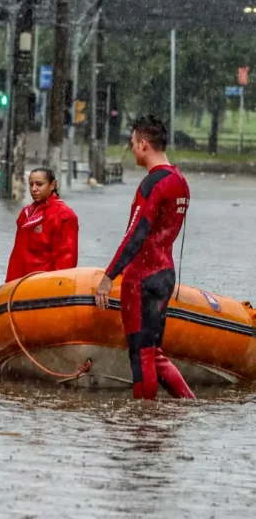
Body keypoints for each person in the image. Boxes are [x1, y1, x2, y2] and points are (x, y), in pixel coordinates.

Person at [94, 115, 195, 400]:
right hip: (165, 275)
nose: (132, 149)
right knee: (153, 352)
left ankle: (143, 423)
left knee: (140, 355)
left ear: (143, 144)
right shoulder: (180, 181)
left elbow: (135, 234)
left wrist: (109, 275)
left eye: (133, 144)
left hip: (142, 278)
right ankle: (189, 405)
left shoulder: (153, 183)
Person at [5, 167, 79, 283]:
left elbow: (66, 261)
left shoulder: (64, 216)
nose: (34, 189)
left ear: (53, 185)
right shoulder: (25, 213)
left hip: (42, 287)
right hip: (18, 285)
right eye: (31, 184)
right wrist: (9, 284)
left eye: (39, 184)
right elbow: (17, 256)